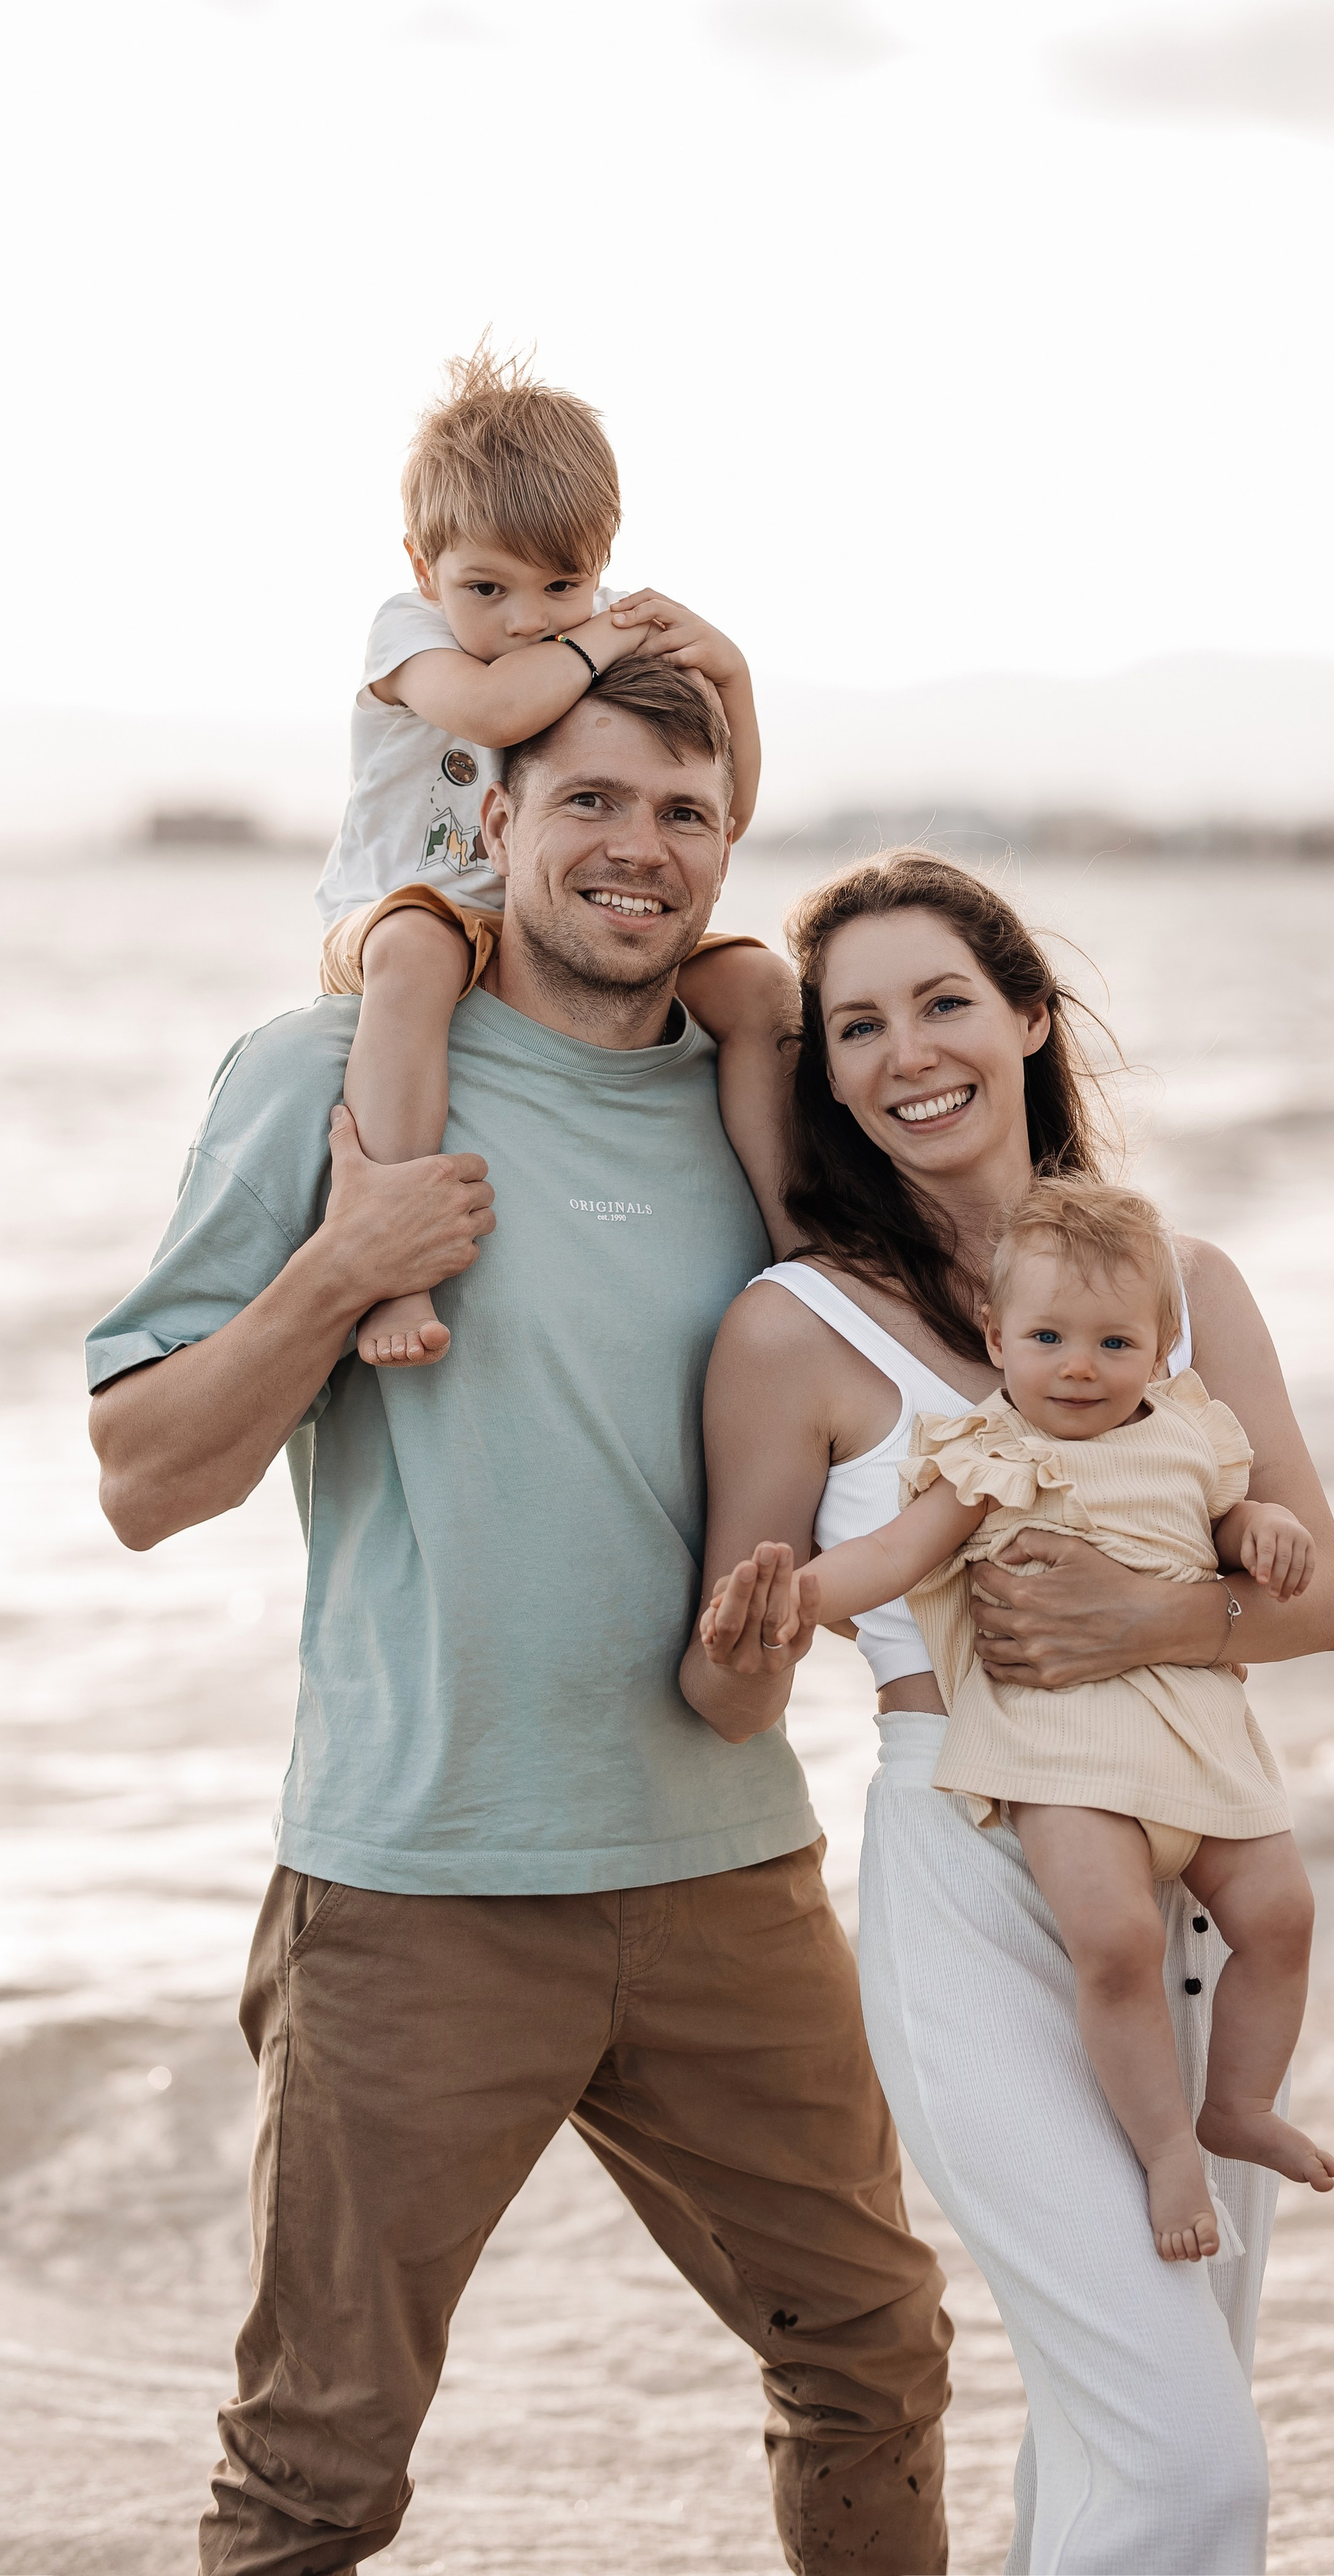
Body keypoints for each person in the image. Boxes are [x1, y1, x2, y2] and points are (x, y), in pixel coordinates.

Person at [86, 668, 952, 2576]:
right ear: (493, 821)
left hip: (729, 1872)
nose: (639, 845)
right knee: (315, 2475)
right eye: (594, 800)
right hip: (415, 1894)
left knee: (876, 2364)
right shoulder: (325, 1080)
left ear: (730, 851)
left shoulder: (766, 1122)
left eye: (688, 813)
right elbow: (145, 1480)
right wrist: (341, 1271)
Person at [681, 851, 1334, 2574]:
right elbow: (720, 1675)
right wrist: (752, 1642)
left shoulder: (1186, 1287)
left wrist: (1151, 1614)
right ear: (823, 1073)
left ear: (1027, 1017)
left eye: (943, 1002)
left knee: (1132, 2422)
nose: (908, 1050)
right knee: (1187, 2461)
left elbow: (1324, 1600)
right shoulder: (795, 1329)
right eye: (855, 1025)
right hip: (968, 1872)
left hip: (1190, 1850)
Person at [704, 1173, 1334, 2269]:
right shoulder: (989, 1455)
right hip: (1064, 1754)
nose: (1079, 1368)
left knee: (1280, 1916)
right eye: (1048, 1338)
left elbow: (1237, 1528)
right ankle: (1166, 2150)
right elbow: (893, 1556)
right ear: (997, 1340)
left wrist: (1267, 1528)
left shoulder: (1192, 1436)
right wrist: (799, 1595)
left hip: (1197, 1736)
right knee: (1117, 1939)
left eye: (1112, 1344)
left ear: (1162, 1347)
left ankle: (1238, 2102)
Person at [315, 338, 785, 1367]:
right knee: (421, 957)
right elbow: (492, 705)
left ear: (601, 562)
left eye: (563, 583)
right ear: (423, 566)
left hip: (528, 915)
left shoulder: (579, 642)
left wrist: (734, 676)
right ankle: (394, 1260)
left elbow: (729, 805)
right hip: (394, 910)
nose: (525, 619)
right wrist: (600, 636)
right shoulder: (413, 635)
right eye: (488, 588)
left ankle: (806, 1259)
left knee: (754, 985)